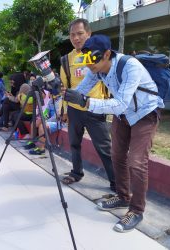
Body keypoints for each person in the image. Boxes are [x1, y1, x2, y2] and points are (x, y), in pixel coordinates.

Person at [65, 34, 164, 233]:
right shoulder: (96, 69)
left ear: (107, 54)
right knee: (117, 155)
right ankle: (122, 197)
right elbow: (81, 91)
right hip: (123, 115)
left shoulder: (130, 66)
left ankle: (136, 210)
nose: (90, 65)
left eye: (93, 60)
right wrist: (62, 91)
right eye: (87, 60)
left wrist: (86, 102)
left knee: (136, 161)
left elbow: (119, 102)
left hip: (145, 112)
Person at [60, 18, 115, 192]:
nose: (76, 38)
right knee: (74, 144)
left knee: (104, 148)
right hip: (74, 111)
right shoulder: (65, 60)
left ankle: (116, 182)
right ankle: (76, 173)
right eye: (72, 34)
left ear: (89, 34)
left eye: (80, 33)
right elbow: (65, 87)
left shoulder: (100, 54)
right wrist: (65, 109)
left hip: (96, 109)